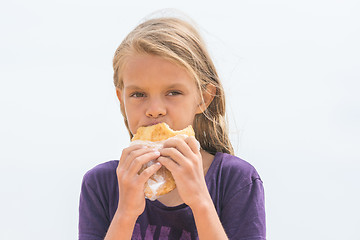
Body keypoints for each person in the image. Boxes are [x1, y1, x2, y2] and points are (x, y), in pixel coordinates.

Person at [79, 15, 266, 240]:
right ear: (121, 98)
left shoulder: (237, 180)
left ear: (203, 98)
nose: (155, 109)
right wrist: (126, 213)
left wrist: (200, 202)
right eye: (138, 94)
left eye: (173, 92)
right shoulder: (101, 184)